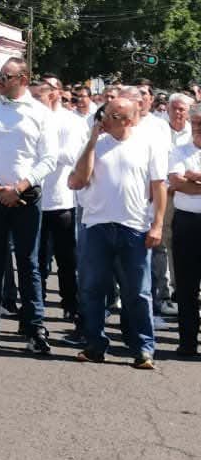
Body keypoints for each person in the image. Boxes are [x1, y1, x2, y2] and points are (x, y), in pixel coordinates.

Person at [0, 58, 58, 355]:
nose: (0, 81)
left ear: (23, 78)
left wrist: (18, 187)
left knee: (28, 262)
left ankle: (34, 326)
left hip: (26, 196)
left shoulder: (41, 114)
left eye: (5, 76)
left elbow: (49, 159)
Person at [68, 96, 165, 369]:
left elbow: (159, 187)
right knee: (92, 289)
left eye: (115, 116)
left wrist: (157, 224)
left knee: (138, 292)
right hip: (97, 225)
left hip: (134, 226)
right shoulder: (95, 143)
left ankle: (143, 349)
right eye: (107, 114)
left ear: (131, 119)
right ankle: (94, 345)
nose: (107, 120)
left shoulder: (148, 144)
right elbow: (80, 180)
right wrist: (91, 142)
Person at [34, 74, 87, 344]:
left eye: (39, 95)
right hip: (35, 199)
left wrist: (48, 154)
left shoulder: (72, 121)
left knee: (67, 260)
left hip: (62, 199)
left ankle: (71, 304)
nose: (34, 100)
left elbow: (75, 156)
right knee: (37, 259)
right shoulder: (33, 117)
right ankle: (35, 307)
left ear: (54, 94)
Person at [167, 103, 201, 358]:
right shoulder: (179, 150)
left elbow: (187, 181)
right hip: (187, 223)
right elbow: (177, 183)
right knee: (186, 286)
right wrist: (188, 179)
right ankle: (187, 341)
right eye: (196, 123)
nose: (199, 128)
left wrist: (195, 177)